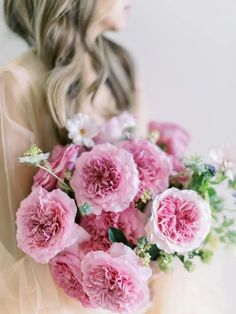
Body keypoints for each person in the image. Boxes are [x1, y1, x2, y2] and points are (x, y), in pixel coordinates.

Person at [0, 1, 230, 314]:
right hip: (62, 298)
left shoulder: (121, 68)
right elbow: (20, 239)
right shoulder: (18, 82)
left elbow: (151, 177)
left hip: (132, 291)